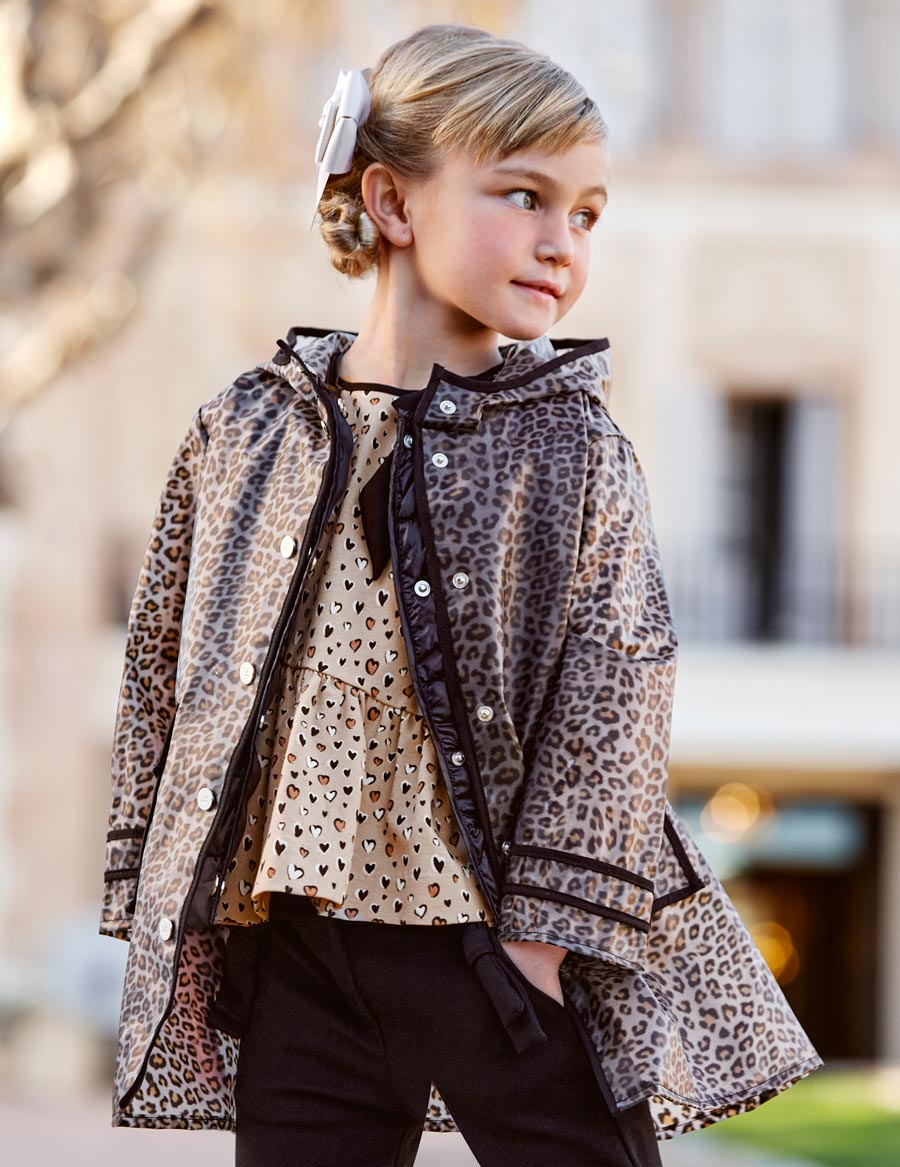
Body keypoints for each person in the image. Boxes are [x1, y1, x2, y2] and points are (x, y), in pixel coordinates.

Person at [99, 21, 822, 1167]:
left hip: (499, 953)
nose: (561, 242)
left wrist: (541, 948)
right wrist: (160, 895)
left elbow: (618, 693)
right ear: (392, 202)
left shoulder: (573, 446)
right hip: (304, 953)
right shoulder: (246, 431)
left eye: (587, 214)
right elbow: (160, 667)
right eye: (524, 196)